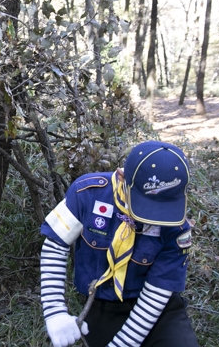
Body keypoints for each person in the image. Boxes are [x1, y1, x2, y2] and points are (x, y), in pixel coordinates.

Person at [40, 140, 199, 347]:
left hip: (157, 308)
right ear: (123, 177)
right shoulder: (87, 193)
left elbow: (157, 291)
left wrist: (123, 344)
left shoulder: (176, 225)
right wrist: (55, 312)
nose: (153, 217)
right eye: (146, 205)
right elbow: (55, 245)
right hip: (104, 305)